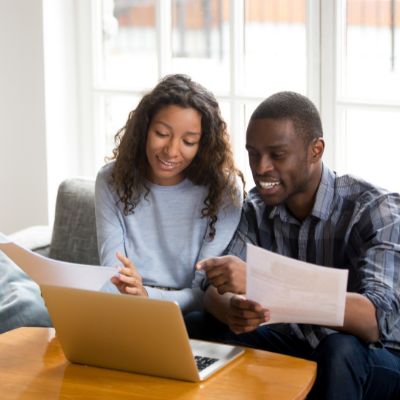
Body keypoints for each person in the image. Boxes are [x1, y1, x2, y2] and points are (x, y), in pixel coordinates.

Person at [185, 91, 400, 399]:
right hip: (303, 349)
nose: (261, 168)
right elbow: (211, 289)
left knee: (339, 349)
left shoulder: (376, 209)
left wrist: (264, 280)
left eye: (277, 154)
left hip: (375, 358)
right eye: (254, 154)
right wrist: (231, 306)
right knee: (201, 325)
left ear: (316, 150)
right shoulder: (257, 209)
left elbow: (373, 320)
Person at [95, 74, 244, 315]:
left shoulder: (225, 190)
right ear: (144, 129)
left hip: (186, 316)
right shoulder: (111, 180)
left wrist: (145, 295)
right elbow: (112, 276)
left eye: (188, 141)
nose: (172, 151)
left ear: (203, 144)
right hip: (123, 309)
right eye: (162, 134)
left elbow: (202, 294)